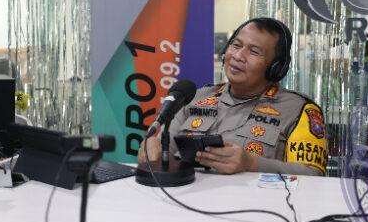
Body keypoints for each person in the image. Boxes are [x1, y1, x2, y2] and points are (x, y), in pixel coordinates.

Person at [138, 17, 328, 176]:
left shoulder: (299, 110)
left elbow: (313, 175)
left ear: (276, 68)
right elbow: (165, 151)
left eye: (254, 51)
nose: (238, 56)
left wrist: (252, 163)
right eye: (236, 45)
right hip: (187, 201)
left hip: (256, 207)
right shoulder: (194, 98)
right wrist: (152, 151)